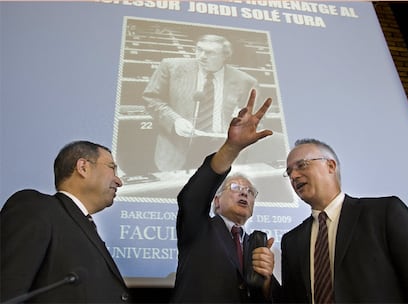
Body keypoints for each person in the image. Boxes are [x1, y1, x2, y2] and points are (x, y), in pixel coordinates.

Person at [171, 89, 281, 303]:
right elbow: (191, 198)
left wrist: (267, 283)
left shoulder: (256, 245)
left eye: (250, 191)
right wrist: (232, 147)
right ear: (216, 201)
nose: (244, 192)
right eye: (235, 187)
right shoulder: (198, 228)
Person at [280, 138, 408, 303]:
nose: (293, 176)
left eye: (302, 165)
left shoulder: (383, 213)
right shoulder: (291, 241)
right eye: (289, 171)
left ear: (330, 166)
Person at [0, 141, 131, 303]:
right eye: (112, 168)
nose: (119, 181)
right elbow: (8, 290)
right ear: (83, 167)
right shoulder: (35, 208)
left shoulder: (85, 226)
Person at [143, 34, 258, 172]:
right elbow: (151, 98)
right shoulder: (171, 67)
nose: (202, 56)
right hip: (177, 149)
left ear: (225, 56)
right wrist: (175, 120)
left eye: (210, 53)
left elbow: (255, 119)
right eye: (199, 50)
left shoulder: (245, 81)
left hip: (221, 151)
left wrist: (242, 126)